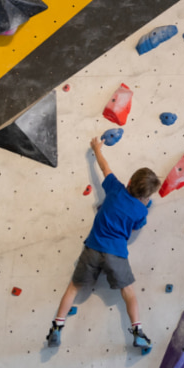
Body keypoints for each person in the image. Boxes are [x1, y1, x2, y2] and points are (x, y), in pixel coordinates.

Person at [46, 137, 160, 350]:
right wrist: (145, 203)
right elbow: (136, 227)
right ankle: (138, 332)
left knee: (73, 289)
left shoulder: (116, 189)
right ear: (146, 196)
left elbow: (104, 167)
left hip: (93, 248)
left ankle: (57, 327)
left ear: (129, 183)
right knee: (128, 293)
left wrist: (97, 149)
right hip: (116, 253)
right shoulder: (141, 210)